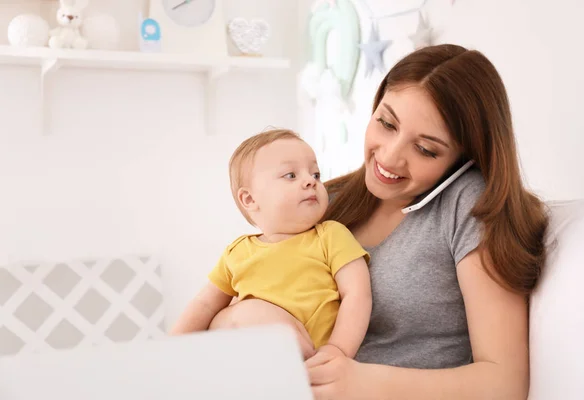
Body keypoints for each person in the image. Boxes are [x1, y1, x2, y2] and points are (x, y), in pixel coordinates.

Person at [208, 44, 549, 399]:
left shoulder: (469, 206)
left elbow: (505, 384)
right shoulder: (328, 202)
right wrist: (243, 315)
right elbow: (229, 313)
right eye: (386, 123)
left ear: (465, 155)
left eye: (426, 149)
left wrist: (361, 382)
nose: (389, 156)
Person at [169, 129, 372, 361]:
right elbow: (204, 304)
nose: (310, 181)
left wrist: (338, 350)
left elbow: (357, 294)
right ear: (250, 199)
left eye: (315, 174)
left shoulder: (331, 235)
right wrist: (172, 350)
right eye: (290, 175)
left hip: (314, 365)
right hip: (252, 363)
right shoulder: (237, 252)